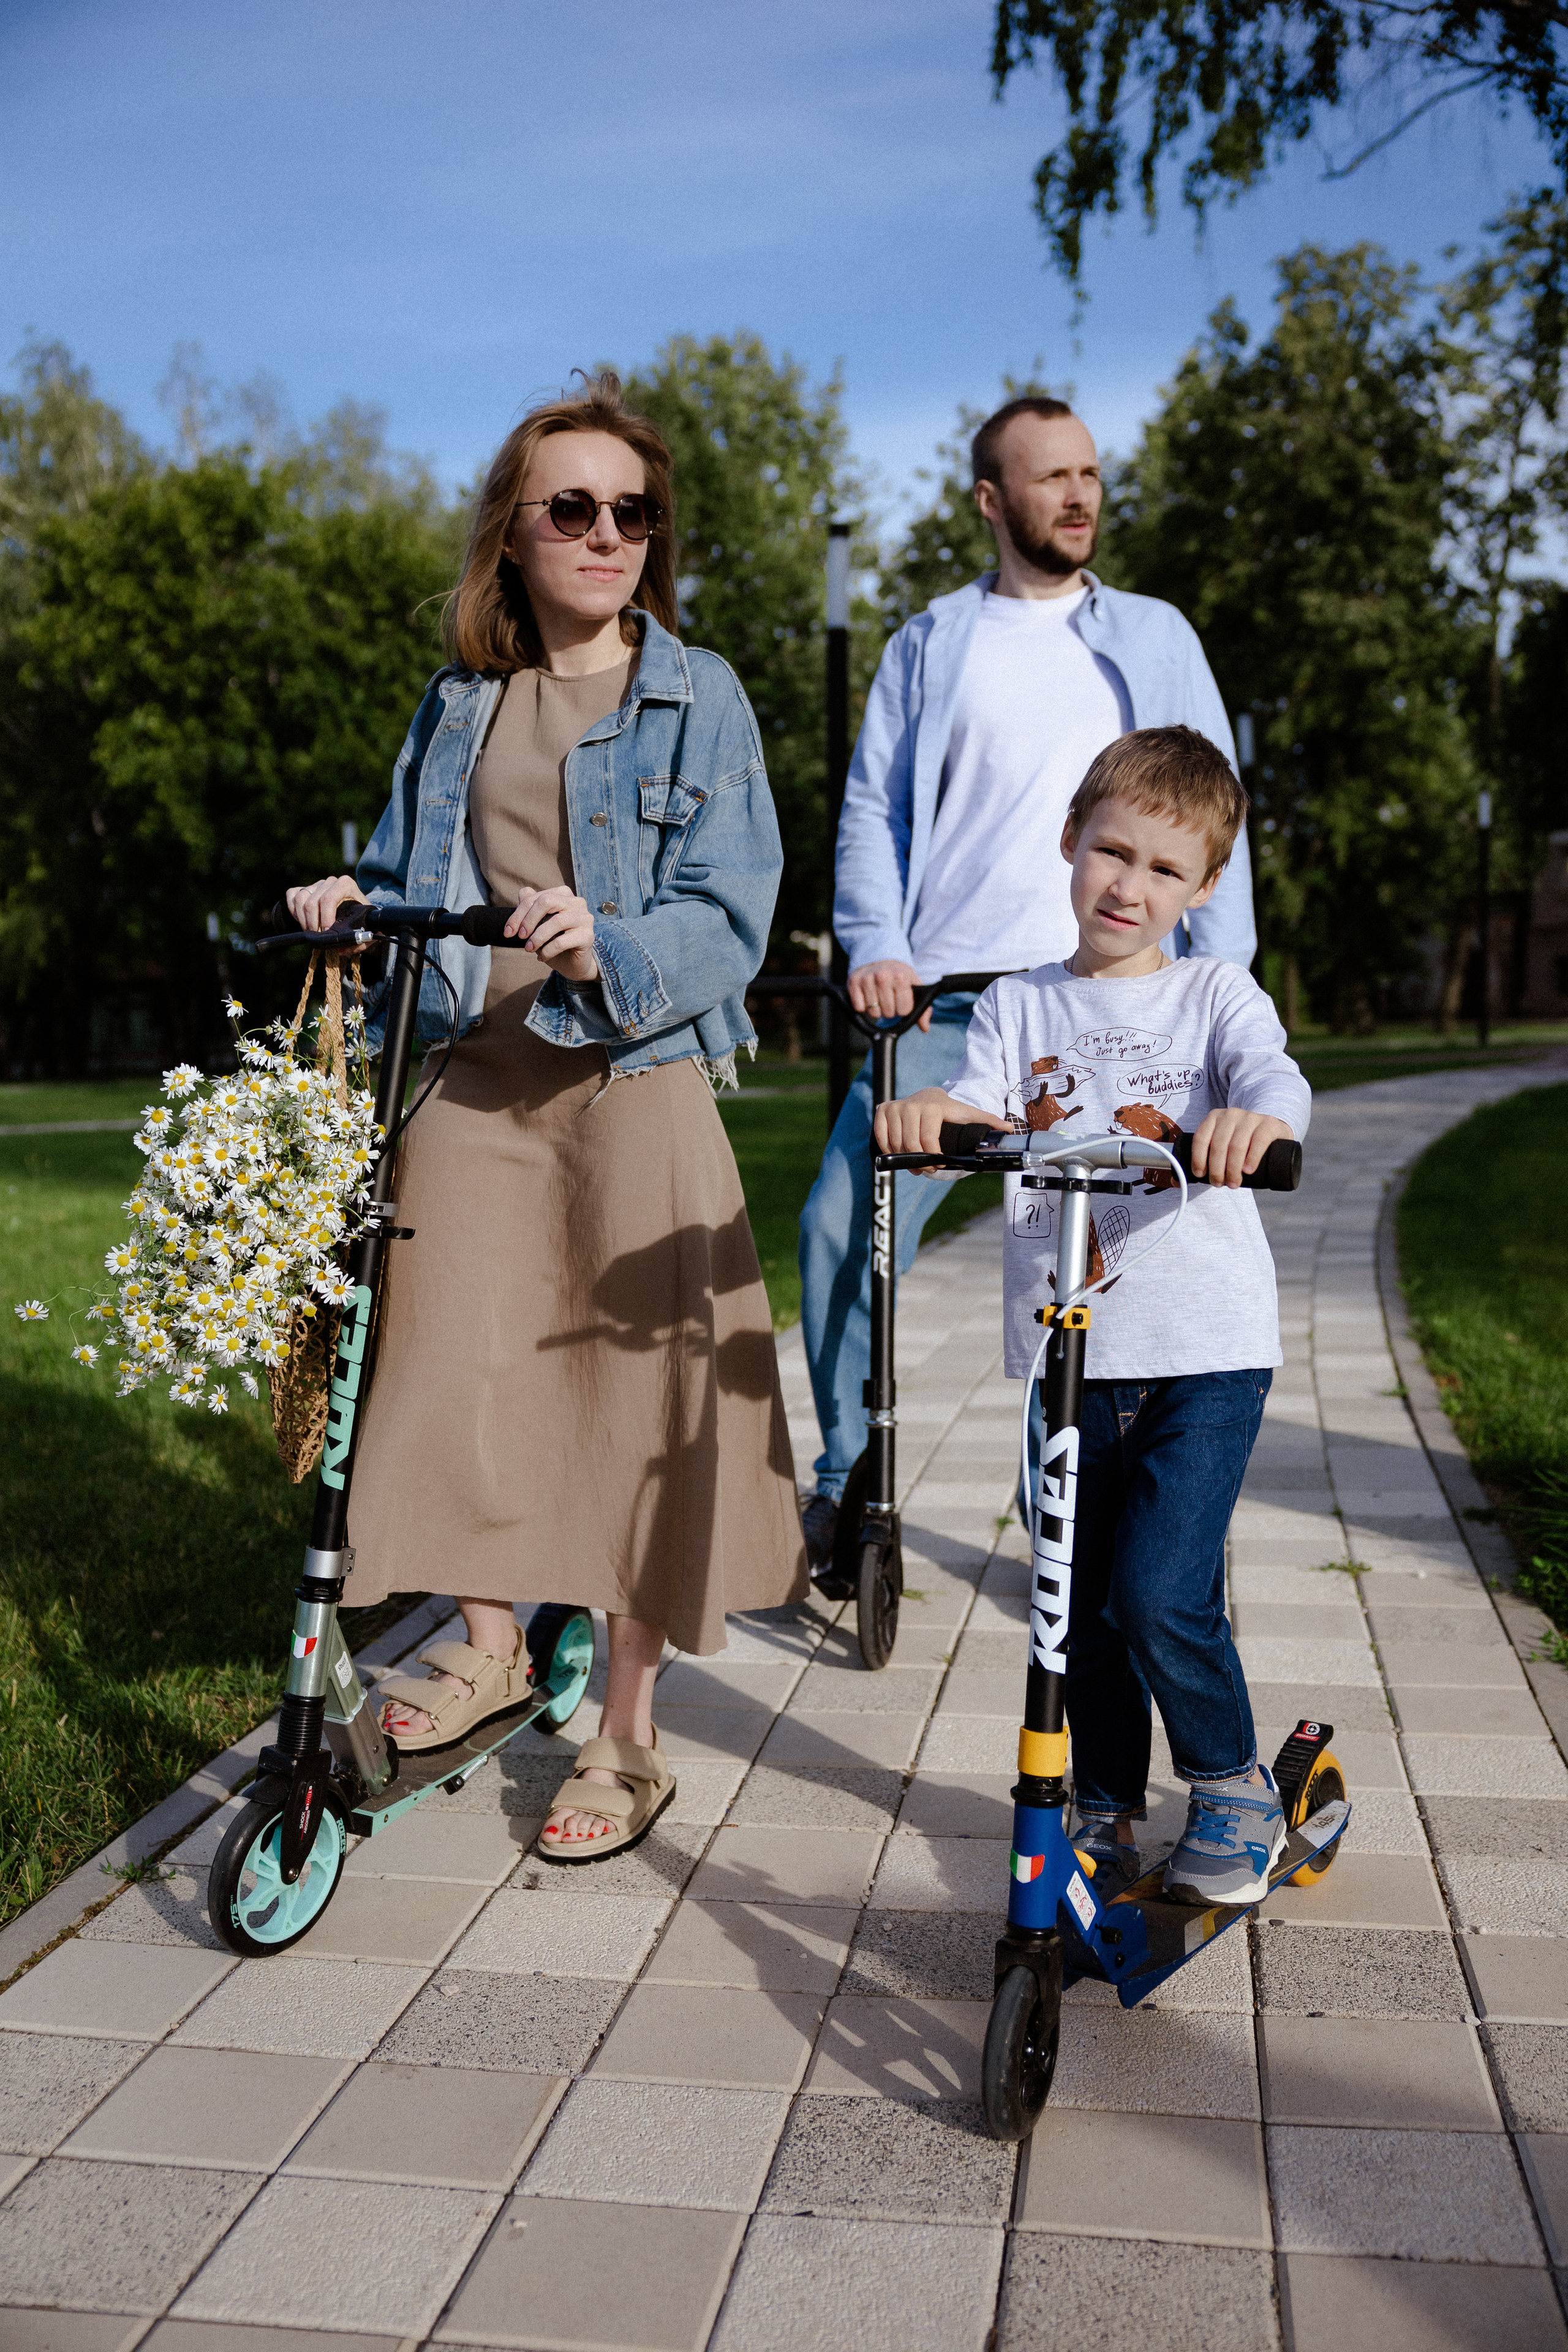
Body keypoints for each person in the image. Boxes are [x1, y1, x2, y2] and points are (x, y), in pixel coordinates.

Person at [286, 373, 805, 1861]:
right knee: (446, 1368)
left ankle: (625, 1736)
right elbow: (403, 872)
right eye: (569, 508)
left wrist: (612, 948)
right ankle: (494, 1639)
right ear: (511, 535)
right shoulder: (459, 703)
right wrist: (349, 907)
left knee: (635, 1410)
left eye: (630, 513)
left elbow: (734, 914)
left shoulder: (697, 697)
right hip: (475, 1076)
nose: (604, 535)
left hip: (629, 1076)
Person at [799, 395, 1255, 1568]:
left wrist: (1226, 988)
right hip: (951, 1006)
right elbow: (872, 810)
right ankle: (850, 1480)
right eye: (1050, 478)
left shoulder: (1157, 637)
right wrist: (874, 943)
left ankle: (1104, 1548)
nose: (1080, 496)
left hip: (1121, 1010)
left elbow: (1216, 824)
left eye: (1091, 474)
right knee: (840, 1229)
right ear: (992, 501)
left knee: (1116, 1282)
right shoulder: (930, 644)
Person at [874, 726, 1310, 1902]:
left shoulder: (1215, 993)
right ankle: (1110, 1805)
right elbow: (971, 1106)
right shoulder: (1020, 1004)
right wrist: (932, 1124)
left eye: (1167, 870)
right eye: (1113, 852)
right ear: (1071, 843)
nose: (1131, 885)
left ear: (1205, 889)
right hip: (1071, 1358)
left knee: (1160, 1589)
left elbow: (1270, 1075)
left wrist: (1257, 1126)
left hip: (1206, 1352)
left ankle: (1229, 1785)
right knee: (1078, 1610)